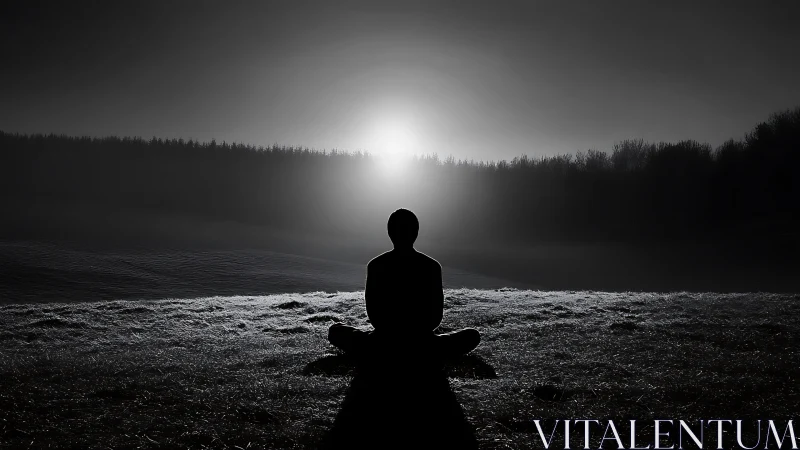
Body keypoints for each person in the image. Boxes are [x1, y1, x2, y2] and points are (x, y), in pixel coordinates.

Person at [328, 208, 480, 366]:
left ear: (390, 232)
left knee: (336, 330)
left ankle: (385, 355)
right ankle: (422, 355)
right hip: (423, 344)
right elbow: (435, 317)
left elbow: (374, 316)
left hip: (382, 343)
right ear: (416, 232)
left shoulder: (376, 265)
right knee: (471, 335)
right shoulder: (431, 266)